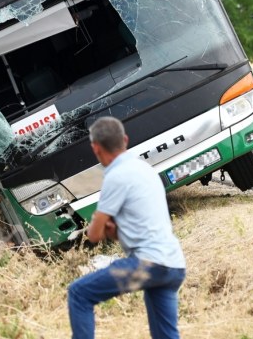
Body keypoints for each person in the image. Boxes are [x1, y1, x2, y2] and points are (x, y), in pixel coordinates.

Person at [67, 117, 186, 339]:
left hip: (147, 265)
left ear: (95, 148)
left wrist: (100, 223)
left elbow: (93, 235)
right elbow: (136, 225)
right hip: (173, 264)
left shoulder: (116, 176)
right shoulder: (144, 169)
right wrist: (113, 229)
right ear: (125, 140)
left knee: (79, 293)